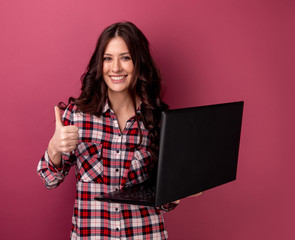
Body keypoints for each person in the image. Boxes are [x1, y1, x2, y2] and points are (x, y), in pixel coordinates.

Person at [37, 21, 191, 239]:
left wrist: (175, 194)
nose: (116, 68)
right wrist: (54, 149)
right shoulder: (77, 115)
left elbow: (162, 203)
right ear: (100, 63)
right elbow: (49, 180)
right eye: (108, 58)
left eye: (125, 57)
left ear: (139, 62)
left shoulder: (158, 119)